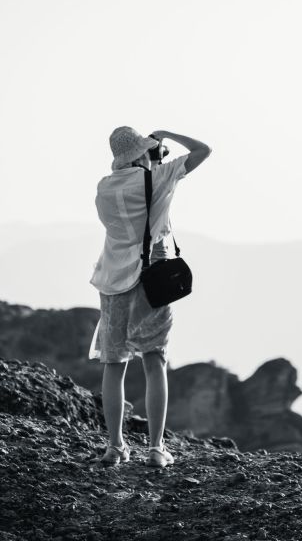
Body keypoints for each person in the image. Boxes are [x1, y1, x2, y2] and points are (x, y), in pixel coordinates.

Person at [87, 126, 211, 467]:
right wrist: (167, 135)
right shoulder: (160, 178)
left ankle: (115, 446)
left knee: (114, 364)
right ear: (143, 152)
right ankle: (156, 449)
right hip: (149, 280)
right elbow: (203, 151)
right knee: (155, 362)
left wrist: (150, 155)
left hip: (112, 280)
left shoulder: (104, 187)